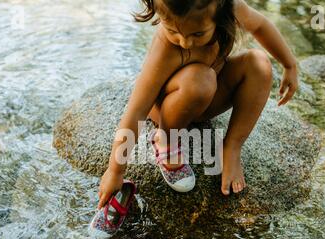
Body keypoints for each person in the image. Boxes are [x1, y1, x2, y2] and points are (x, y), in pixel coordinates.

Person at [97, 0, 298, 209]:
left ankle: (231, 147)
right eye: (172, 30)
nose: (184, 42)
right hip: (168, 108)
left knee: (259, 64)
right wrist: (115, 171)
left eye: (198, 34)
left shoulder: (230, 9)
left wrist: (289, 64)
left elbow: (260, 25)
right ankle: (165, 140)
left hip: (208, 97)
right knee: (200, 81)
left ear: (220, 13)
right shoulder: (166, 47)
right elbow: (136, 110)